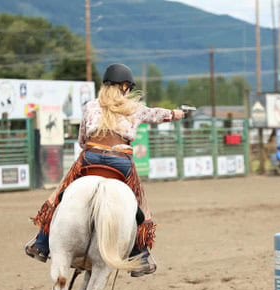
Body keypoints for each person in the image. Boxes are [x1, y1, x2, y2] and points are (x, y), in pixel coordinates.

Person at [25, 63, 185, 277]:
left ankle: (41, 243)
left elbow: (82, 139)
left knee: (60, 195)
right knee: (139, 206)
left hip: (91, 157)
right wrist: (177, 114)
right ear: (126, 87)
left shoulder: (91, 106)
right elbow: (156, 114)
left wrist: (93, 148)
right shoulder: (133, 108)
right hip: (121, 161)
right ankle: (141, 255)